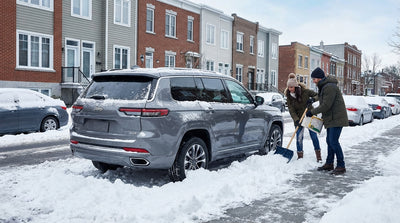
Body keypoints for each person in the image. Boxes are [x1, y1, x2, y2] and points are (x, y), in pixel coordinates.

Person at [306, 67, 349, 175]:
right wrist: (313, 100)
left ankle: (341, 165)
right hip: (331, 118)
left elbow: (326, 105)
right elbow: (324, 101)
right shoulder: (325, 86)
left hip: (336, 118)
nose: (313, 81)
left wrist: (312, 112)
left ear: (319, 78)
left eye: (314, 79)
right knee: (330, 141)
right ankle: (329, 163)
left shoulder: (329, 87)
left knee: (333, 141)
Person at [285, 73, 321, 161]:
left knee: (313, 136)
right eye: (289, 87)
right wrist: (296, 120)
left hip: (309, 115)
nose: (290, 89)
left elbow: (318, 95)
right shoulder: (289, 96)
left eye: (291, 87)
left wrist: (312, 99)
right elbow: (291, 110)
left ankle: (318, 156)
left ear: (296, 87)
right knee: (299, 137)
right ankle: (300, 156)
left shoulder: (305, 92)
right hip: (298, 118)